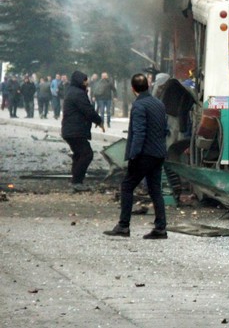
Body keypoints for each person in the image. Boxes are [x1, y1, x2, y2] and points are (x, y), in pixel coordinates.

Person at [104, 73, 169, 239]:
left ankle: (123, 226)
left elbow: (139, 133)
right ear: (147, 85)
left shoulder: (139, 106)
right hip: (158, 153)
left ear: (133, 89)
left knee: (127, 186)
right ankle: (161, 228)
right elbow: (165, 130)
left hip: (144, 154)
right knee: (156, 190)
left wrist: (133, 155)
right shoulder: (159, 104)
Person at [61, 71, 105, 192]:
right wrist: (99, 121)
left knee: (79, 155)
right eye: (85, 80)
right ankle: (77, 182)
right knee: (86, 154)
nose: (87, 82)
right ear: (79, 81)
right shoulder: (78, 93)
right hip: (75, 130)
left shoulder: (72, 91)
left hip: (71, 130)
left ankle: (76, 180)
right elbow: (88, 110)